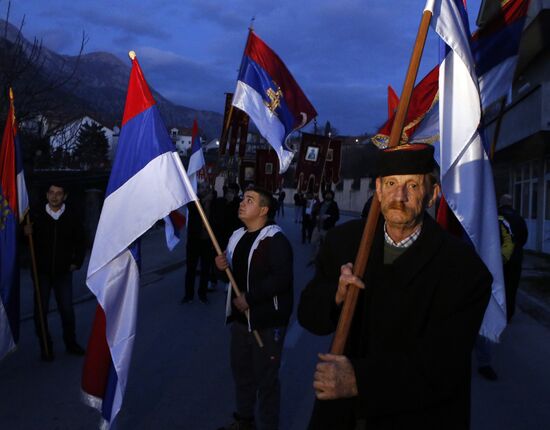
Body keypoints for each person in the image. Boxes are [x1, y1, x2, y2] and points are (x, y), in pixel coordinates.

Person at [298, 144, 492, 429]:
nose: (399, 196)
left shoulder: (463, 268)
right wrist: (336, 296)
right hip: (342, 417)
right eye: (391, 184)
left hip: (418, 417)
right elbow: (308, 314)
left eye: (412, 184)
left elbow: (444, 366)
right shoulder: (346, 242)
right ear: (378, 189)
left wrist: (358, 379)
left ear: (432, 194)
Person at [215, 186, 293, 430]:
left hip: (266, 323)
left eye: (249, 200)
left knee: (266, 379)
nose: (242, 203)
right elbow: (230, 279)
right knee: (242, 375)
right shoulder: (237, 236)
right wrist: (220, 267)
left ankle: (269, 425)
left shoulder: (275, 240)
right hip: (240, 322)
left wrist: (251, 297)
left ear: (263, 209)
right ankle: (245, 420)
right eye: (243, 199)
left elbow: (282, 279)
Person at [25, 184, 86, 361]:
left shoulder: (72, 216)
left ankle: (71, 343)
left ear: (64, 196)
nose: (54, 197)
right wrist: (24, 232)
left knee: (66, 309)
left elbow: (81, 240)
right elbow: (24, 242)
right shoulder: (35, 215)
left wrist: (76, 262)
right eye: (51, 193)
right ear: (46, 195)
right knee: (40, 310)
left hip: (63, 272)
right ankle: (46, 346)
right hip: (41, 272)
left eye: (59, 194)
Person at [181, 181, 216, 304]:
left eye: (207, 187)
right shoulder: (193, 202)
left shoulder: (213, 202)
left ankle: (203, 294)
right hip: (193, 242)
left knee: (205, 269)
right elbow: (193, 209)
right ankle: (188, 295)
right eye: (202, 187)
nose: (204, 190)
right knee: (191, 269)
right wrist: (204, 200)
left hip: (207, 242)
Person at [498, 194, 528, 322]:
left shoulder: (495, 216)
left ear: (501, 203)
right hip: (515, 259)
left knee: (498, 285)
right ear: (511, 204)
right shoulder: (519, 218)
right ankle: (509, 314)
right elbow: (524, 238)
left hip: (498, 259)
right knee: (512, 286)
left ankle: (497, 313)